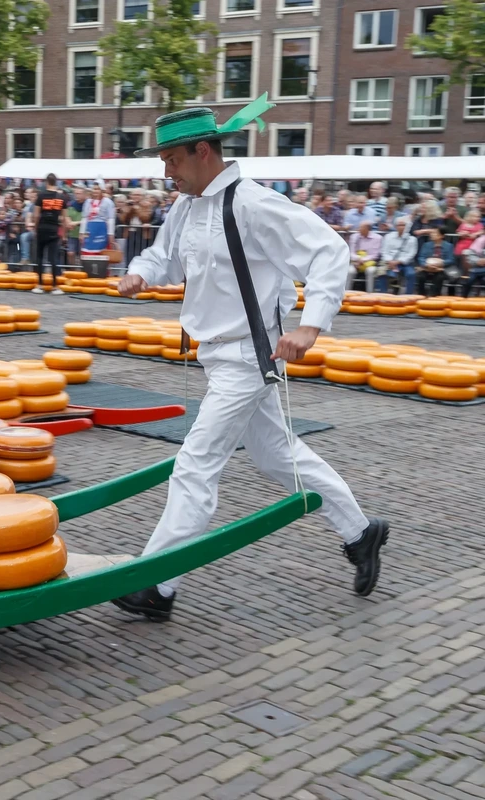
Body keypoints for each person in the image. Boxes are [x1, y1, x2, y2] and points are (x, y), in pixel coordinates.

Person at [111, 100, 388, 621]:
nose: (164, 170)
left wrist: (311, 324)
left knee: (196, 464)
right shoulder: (187, 208)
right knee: (278, 456)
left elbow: (330, 251)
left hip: (246, 358)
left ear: (202, 151)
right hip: (217, 356)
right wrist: (141, 272)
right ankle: (360, 532)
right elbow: (164, 256)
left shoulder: (254, 204)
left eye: (171, 158)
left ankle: (156, 582)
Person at [30, 173, 67, 294]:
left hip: (42, 228)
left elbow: (36, 215)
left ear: (46, 182)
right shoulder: (61, 197)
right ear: (56, 182)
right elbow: (64, 218)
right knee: (53, 258)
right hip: (54, 229)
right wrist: (64, 234)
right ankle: (55, 286)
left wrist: (35, 228)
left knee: (40, 257)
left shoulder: (41, 196)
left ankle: (40, 285)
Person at [380, 217, 418, 293]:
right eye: (399, 225)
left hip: (405, 263)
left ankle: (409, 296)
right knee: (382, 273)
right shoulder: (388, 237)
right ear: (396, 226)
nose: (401, 227)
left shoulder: (412, 239)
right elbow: (384, 251)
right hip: (390, 262)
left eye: (403, 225)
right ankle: (383, 294)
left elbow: (411, 254)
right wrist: (390, 261)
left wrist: (398, 262)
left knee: (411, 274)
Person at [347, 220, 383, 291]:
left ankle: (370, 294)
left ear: (367, 229)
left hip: (370, 263)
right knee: (349, 271)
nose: (359, 229)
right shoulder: (354, 237)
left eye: (361, 227)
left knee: (370, 271)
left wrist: (363, 260)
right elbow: (351, 252)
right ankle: (346, 293)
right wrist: (358, 259)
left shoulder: (377, 238)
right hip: (356, 262)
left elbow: (375, 255)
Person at [417, 228, 453, 296]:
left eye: (435, 233)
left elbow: (450, 259)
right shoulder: (426, 245)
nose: (432, 235)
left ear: (442, 236)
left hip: (440, 268)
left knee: (439, 278)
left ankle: (434, 295)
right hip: (427, 267)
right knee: (421, 277)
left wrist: (440, 263)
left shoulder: (448, 246)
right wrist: (426, 264)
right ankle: (421, 295)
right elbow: (421, 257)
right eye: (432, 233)